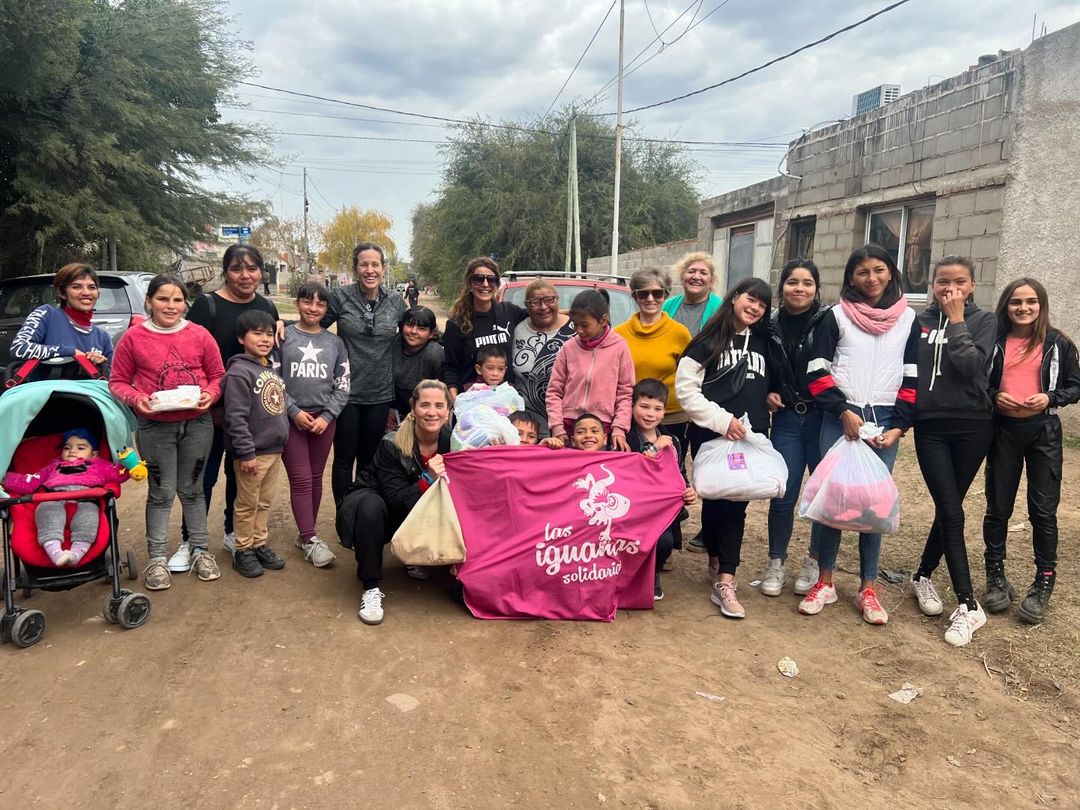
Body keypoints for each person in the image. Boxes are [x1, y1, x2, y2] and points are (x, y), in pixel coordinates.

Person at [801, 244, 916, 625]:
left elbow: (912, 377)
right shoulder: (836, 317)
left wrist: (899, 425)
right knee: (835, 500)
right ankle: (825, 581)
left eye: (879, 270)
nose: (872, 278)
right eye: (863, 272)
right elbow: (816, 371)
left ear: (891, 273)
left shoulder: (908, 319)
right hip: (840, 417)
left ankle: (868, 587)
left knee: (872, 506)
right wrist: (842, 411)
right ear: (851, 276)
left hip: (884, 419)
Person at [885, 256, 996, 646]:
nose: (951, 289)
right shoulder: (920, 321)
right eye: (942, 282)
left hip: (974, 426)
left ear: (973, 285)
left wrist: (958, 319)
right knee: (950, 509)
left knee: (950, 506)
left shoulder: (985, 321)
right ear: (932, 285)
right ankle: (969, 604)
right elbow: (909, 370)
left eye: (960, 282)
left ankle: (922, 574)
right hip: (931, 426)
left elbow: (972, 368)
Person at [109, 273, 225, 589]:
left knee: (192, 490)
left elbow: (217, 375)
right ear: (149, 301)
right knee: (161, 493)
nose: (170, 306)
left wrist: (211, 395)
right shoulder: (133, 338)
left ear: (184, 303)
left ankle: (200, 550)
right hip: (154, 427)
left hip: (198, 424)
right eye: (163, 299)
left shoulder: (200, 335)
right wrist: (137, 399)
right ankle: (157, 560)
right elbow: (117, 381)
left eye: (177, 300)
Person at [675, 277, 776, 619]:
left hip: (749, 438)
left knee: (735, 507)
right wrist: (722, 421)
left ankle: (726, 579)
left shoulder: (765, 340)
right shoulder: (707, 341)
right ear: (734, 297)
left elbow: (772, 381)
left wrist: (774, 396)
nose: (755, 307)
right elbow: (687, 393)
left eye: (762, 304)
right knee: (715, 501)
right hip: (712, 436)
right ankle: (715, 553)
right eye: (751, 299)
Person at [982, 277, 1080, 625]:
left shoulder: (1058, 343)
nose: (1023, 308)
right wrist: (994, 394)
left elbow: (1075, 385)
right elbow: (979, 379)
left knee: (1043, 510)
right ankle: (995, 575)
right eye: (1015, 302)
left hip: (1043, 432)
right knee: (998, 507)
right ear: (1006, 306)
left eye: (1031, 302)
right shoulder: (994, 341)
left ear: (1041, 305)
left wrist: (1051, 398)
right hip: (1003, 431)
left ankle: (1043, 582)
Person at [180, 245, 279, 566]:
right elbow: (189, 361)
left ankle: (234, 534)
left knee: (242, 478)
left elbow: (268, 360)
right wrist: (211, 406)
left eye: (252, 269)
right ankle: (191, 541)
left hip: (250, 417)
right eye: (237, 269)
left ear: (261, 272)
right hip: (209, 411)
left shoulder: (266, 306)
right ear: (226, 271)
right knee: (203, 477)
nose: (245, 275)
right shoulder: (206, 307)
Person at [336, 379, 452, 625]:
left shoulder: (451, 439)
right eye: (425, 405)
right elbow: (396, 500)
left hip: (411, 504)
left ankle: (416, 555)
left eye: (439, 406)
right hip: (379, 505)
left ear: (448, 412)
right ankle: (371, 587)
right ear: (413, 409)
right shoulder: (393, 443)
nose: (432, 412)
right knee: (371, 507)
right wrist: (427, 477)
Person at [760, 259, 830, 597]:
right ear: (782, 287)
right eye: (792, 282)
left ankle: (814, 560)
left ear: (816, 289)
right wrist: (766, 391)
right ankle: (776, 562)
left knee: (820, 495)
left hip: (822, 418)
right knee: (783, 493)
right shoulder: (769, 324)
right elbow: (761, 367)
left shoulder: (828, 322)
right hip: (787, 418)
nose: (799, 289)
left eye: (807, 283)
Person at [320, 242, 406, 505]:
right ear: (356, 268)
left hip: (380, 393)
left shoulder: (395, 301)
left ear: (383, 268)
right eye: (364, 264)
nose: (370, 270)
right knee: (345, 458)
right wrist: (280, 325)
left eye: (375, 264)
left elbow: (415, 334)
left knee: (370, 458)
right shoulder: (340, 297)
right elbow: (314, 326)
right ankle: (344, 514)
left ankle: (361, 511)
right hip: (345, 393)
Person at [280, 282, 350, 569]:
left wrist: (327, 416)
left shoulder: (335, 343)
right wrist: (293, 411)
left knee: (315, 477)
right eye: (308, 302)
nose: (313, 308)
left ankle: (304, 534)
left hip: (323, 420)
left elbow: (343, 384)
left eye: (320, 304)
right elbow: (272, 379)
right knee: (300, 478)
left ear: (326, 309)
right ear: (298, 303)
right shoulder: (283, 337)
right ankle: (310, 538)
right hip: (290, 420)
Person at [223, 310, 289, 578]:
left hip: (274, 451)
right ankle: (243, 549)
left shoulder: (268, 368)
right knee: (247, 504)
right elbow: (235, 418)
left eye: (269, 334)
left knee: (264, 502)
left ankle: (259, 543)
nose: (265, 339)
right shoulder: (239, 373)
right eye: (257, 333)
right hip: (253, 454)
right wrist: (246, 453)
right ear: (241, 337)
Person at [3, 429, 126, 567]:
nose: (72, 451)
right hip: (54, 497)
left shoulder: (99, 464)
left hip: (86, 498)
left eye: (80, 448)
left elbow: (118, 473)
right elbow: (30, 481)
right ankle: (56, 553)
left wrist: (132, 467)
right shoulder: (54, 466)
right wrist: (5, 479)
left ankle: (75, 554)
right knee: (46, 510)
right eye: (67, 447)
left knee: (89, 517)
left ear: (94, 454)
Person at [627, 378, 698, 599]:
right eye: (644, 406)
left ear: (664, 411)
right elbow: (628, 468)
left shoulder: (673, 441)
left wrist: (687, 491)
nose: (650, 414)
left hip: (660, 512)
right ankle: (630, 575)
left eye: (657, 408)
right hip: (631, 508)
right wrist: (653, 448)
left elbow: (678, 473)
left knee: (665, 541)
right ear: (631, 406)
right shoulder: (623, 439)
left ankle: (653, 573)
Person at [545, 289, 635, 451]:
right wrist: (557, 427)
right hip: (569, 428)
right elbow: (554, 391)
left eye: (585, 325)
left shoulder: (620, 347)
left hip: (602, 430)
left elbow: (625, 393)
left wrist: (619, 429)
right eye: (575, 325)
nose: (579, 330)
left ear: (603, 320)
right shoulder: (568, 347)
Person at [615, 266, 692, 452]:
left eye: (657, 293)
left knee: (672, 467)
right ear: (635, 297)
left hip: (673, 417)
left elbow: (691, 375)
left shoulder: (679, 333)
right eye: (643, 294)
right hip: (631, 417)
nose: (650, 299)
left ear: (665, 295)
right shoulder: (618, 334)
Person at [10, 263, 113, 379]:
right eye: (76, 286)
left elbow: (114, 378)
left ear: (98, 294)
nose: (86, 293)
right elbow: (18, 348)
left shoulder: (103, 337)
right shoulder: (47, 314)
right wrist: (70, 352)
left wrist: (100, 365)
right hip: (42, 394)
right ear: (62, 293)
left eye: (92, 287)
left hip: (84, 395)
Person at [441, 257, 526, 397]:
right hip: (471, 402)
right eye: (478, 279)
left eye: (491, 279)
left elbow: (540, 315)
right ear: (469, 284)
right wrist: (455, 401)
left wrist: (571, 315)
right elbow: (450, 367)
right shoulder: (456, 323)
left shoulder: (509, 312)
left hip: (505, 400)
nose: (485, 284)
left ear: (497, 284)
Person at [511, 278, 575, 437]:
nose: (543, 307)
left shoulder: (576, 330)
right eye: (535, 302)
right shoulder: (516, 329)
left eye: (549, 300)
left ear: (557, 299)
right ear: (526, 305)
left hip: (568, 430)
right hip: (525, 432)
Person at [391, 306, 443, 415]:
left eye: (421, 328)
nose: (414, 331)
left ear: (431, 333)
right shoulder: (394, 343)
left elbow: (443, 389)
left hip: (423, 407)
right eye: (409, 325)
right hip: (393, 404)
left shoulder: (434, 354)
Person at [663, 252, 722, 338]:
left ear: (712, 281)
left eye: (703, 273)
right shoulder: (668, 305)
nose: (696, 277)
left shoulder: (720, 308)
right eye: (691, 271)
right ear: (682, 277)